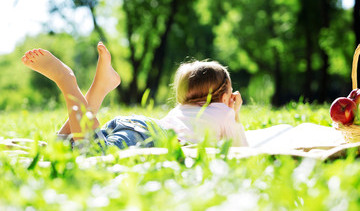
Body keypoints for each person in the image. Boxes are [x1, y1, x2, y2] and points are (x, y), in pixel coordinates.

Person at [21, 42, 248, 150]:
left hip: (136, 125)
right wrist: (234, 115)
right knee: (91, 151)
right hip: (153, 137)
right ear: (226, 95)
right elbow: (242, 149)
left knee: (61, 149)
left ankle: (99, 90)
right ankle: (66, 79)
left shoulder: (181, 109)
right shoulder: (226, 113)